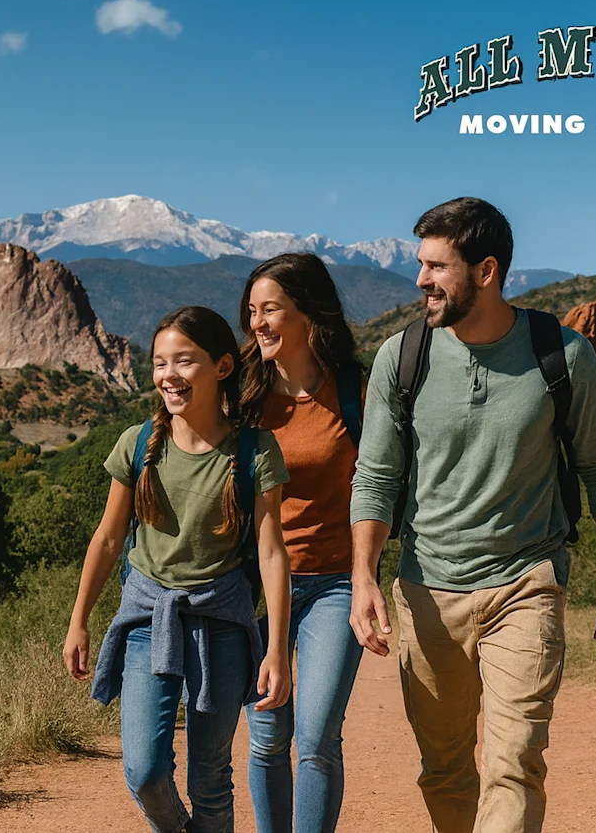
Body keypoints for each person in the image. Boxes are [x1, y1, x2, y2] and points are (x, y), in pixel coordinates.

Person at [348, 198, 596, 833]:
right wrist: (364, 577)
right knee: (445, 767)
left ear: (486, 270)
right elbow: (376, 476)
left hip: (526, 584)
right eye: (419, 264)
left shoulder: (562, 354)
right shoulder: (402, 358)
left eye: (435, 266)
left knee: (514, 763)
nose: (420, 280)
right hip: (427, 589)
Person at [64, 305, 293, 833]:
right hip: (148, 618)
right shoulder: (138, 443)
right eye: (160, 363)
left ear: (223, 367)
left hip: (223, 622)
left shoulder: (256, 452)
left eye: (184, 362)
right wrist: (80, 619)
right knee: (144, 771)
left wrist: (277, 650)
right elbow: (108, 537)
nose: (169, 375)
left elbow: (271, 552)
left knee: (210, 777)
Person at [238, 252, 366, 833]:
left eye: (271, 310)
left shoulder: (355, 392)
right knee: (267, 736)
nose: (257, 323)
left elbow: (378, 485)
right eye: (252, 312)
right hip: (256, 589)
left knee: (315, 736)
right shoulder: (239, 396)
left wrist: (372, 576)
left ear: (308, 312)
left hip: (335, 583)